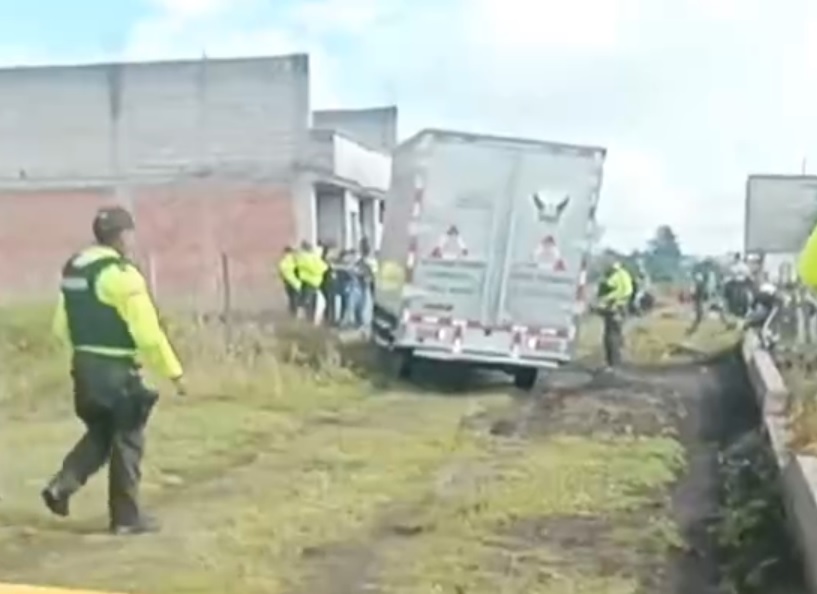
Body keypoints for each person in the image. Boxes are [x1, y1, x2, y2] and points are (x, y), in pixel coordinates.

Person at [42, 205, 185, 535]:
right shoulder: (122, 275)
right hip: (115, 369)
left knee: (102, 434)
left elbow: (60, 327)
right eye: (130, 234)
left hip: (83, 366)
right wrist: (174, 372)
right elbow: (148, 332)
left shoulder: (76, 271)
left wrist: (85, 353)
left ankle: (61, 487)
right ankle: (126, 518)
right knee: (128, 437)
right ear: (123, 236)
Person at [595, 261, 634, 369]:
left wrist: (609, 299)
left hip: (615, 308)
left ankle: (612, 363)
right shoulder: (623, 275)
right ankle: (614, 362)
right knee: (614, 335)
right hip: (617, 308)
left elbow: (622, 290)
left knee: (611, 336)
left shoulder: (616, 276)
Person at [294, 240, 327, 324]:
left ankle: (304, 320)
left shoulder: (302, 257)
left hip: (307, 282)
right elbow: (321, 267)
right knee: (309, 303)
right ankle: (307, 321)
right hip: (311, 282)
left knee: (304, 302)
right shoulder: (310, 257)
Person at [278, 246, 301, 316]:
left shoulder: (283, 261)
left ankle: (292, 313)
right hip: (296, 282)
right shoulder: (295, 260)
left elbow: (281, 272)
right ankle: (295, 313)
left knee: (291, 299)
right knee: (295, 299)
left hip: (287, 282)